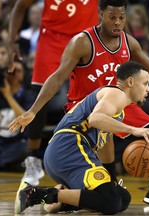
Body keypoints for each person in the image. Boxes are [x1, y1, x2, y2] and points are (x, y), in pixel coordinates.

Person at [10, 0, 149, 210]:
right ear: (101, 15)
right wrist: (34, 110)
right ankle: (101, 186)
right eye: (112, 17)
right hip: (85, 103)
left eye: (121, 17)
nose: (117, 22)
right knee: (106, 144)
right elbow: (58, 76)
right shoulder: (82, 41)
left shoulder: (129, 43)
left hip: (117, 99)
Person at [9, 61, 149, 214]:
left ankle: (61, 200)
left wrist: (110, 176)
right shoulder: (117, 94)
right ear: (130, 82)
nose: (148, 89)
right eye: (145, 83)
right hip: (70, 148)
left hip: (62, 153)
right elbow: (95, 118)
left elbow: (105, 143)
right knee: (111, 201)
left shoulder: (117, 106)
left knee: (122, 198)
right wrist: (134, 130)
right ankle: (36, 194)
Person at [8, 0, 99, 186]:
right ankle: (33, 161)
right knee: (40, 95)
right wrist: (11, 41)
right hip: (52, 38)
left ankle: (95, 159)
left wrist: (125, 39)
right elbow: (20, 6)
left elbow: (115, 9)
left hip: (87, 38)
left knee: (94, 98)